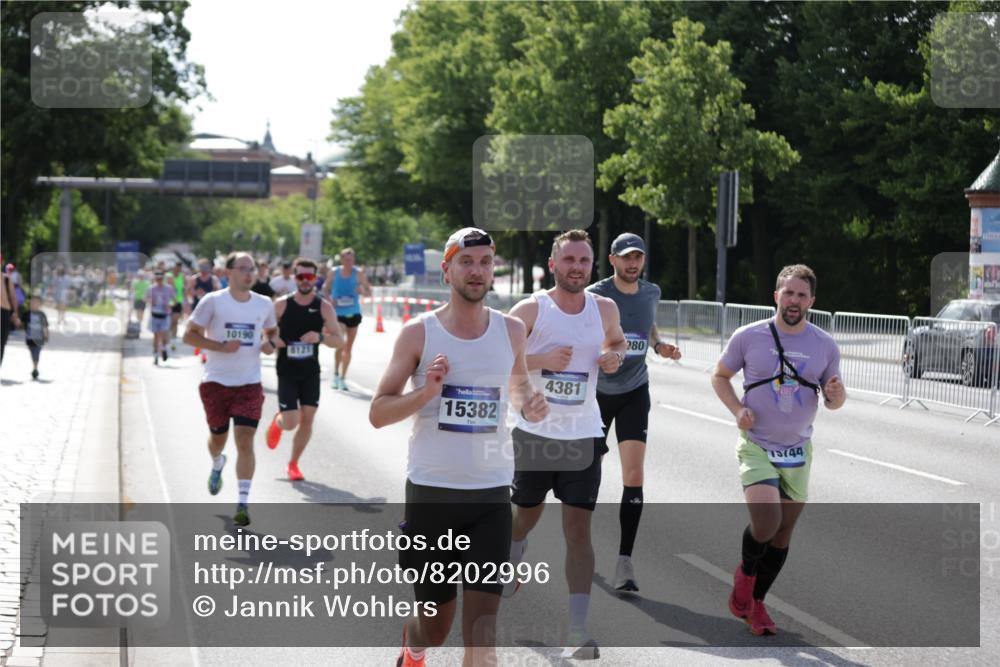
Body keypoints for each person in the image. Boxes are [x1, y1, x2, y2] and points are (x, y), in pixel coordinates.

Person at [370, 227, 548, 667]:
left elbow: (520, 390)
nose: (477, 271)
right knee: (435, 626)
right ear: (447, 268)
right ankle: (413, 648)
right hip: (432, 497)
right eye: (466, 262)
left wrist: (533, 405)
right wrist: (426, 393)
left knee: (482, 635)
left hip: (490, 497)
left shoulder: (510, 331)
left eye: (486, 262)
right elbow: (378, 412)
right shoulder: (418, 333)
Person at [505, 229, 626, 659]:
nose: (577, 267)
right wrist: (540, 360)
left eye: (584, 260)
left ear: (592, 265)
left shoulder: (604, 307)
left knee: (579, 532)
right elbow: (499, 354)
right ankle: (512, 553)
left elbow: (617, 340)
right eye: (569, 260)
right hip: (535, 435)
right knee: (525, 518)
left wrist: (614, 355)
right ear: (553, 264)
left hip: (583, 434)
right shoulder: (531, 309)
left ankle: (576, 630)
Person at [710, 264, 846, 636]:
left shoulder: (824, 345)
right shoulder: (748, 336)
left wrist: (836, 397)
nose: (794, 300)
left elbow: (835, 397)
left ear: (811, 301)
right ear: (776, 296)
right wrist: (738, 410)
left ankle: (756, 603)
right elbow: (719, 377)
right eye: (788, 293)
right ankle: (745, 575)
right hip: (757, 445)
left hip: (799, 450)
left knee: (783, 534)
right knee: (766, 522)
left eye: (802, 295)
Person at [587, 233, 681, 593]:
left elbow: (648, 322)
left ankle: (624, 561)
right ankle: (580, 543)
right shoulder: (595, 295)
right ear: (612, 260)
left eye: (638, 258)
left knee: (634, 473)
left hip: (634, 391)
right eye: (626, 257)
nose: (632, 263)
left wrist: (658, 345)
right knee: (586, 473)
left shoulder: (651, 292)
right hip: (595, 393)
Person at [183, 251, 279, 527]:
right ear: (229, 273)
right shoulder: (213, 302)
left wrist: (269, 344)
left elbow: (272, 333)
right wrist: (220, 347)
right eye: (243, 269)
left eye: (252, 269)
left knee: (246, 440)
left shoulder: (263, 303)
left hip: (249, 383)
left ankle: (242, 503)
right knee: (218, 439)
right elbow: (188, 335)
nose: (250, 274)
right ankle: (217, 463)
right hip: (216, 383)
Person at [264, 258, 344, 481]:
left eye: (310, 277)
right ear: (295, 278)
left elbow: (340, 340)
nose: (305, 281)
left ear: (316, 279)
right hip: (287, 371)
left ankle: (293, 464)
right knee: (291, 422)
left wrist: (319, 337)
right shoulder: (281, 304)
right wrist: (273, 339)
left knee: (307, 418)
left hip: (310, 372)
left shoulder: (323, 307)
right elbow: (266, 332)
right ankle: (279, 420)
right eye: (301, 277)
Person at [327, 248, 371, 390]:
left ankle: (343, 378)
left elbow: (368, 291)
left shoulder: (358, 273)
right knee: (340, 343)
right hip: (338, 312)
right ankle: (335, 374)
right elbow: (324, 288)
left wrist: (362, 291)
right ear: (341, 260)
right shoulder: (334, 272)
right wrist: (329, 299)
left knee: (348, 347)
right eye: (346, 259)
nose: (349, 262)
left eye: (351, 259)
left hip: (353, 312)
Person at [188, 260, 221, 362]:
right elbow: (189, 291)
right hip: (198, 306)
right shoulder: (195, 279)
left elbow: (218, 292)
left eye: (206, 267)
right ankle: (200, 347)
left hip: (210, 307)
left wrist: (208, 293)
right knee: (199, 329)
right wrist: (196, 292)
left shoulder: (213, 279)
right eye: (202, 267)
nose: (204, 269)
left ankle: (204, 351)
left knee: (209, 329)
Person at [147, 271, 175, 365]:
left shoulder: (168, 288)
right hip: (154, 315)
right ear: (155, 279)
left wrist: (169, 305)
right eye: (157, 279)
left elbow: (174, 301)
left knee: (163, 334)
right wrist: (151, 301)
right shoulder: (151, 288)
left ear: (163, 279)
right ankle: (155, 355)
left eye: (161, 279)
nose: (159, 281)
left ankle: (163, 349)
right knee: (155, 336)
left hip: (165, 315)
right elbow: (145, 299)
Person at [23, 295, 49, 380]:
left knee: (36, 353)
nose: (34, 304)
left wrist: (46, 334)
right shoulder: (27, 313)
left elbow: (45, 326)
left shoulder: (42, 314)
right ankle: (34, 366)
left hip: (39, 338)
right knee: (32, 353)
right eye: (32, 302)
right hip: (29, 338)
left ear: (40, 304)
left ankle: (35, 369)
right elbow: (21, 322)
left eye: (36, 302)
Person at [1, 259, 21, 365]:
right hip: (4, 312)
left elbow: (13, 297)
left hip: (4, 311)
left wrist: (15, 314)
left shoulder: (6, 279)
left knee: (2, 342)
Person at [169, 262, 187, 350]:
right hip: (169, 302)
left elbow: (184, 289)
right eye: (176, 268)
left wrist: (185, 302)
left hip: (178, 302)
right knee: (170, 322)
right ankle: (168, 337)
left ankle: (173, 340)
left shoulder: (182, 276)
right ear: (174, 268)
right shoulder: (169, 276)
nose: (178, 270)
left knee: (175, 321)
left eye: (179, 269)